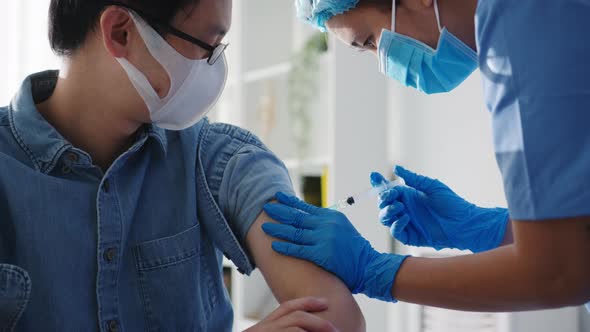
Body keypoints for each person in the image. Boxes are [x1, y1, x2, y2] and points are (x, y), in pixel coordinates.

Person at [0, 0, 366, 331]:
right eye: (206, 46)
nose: (215, 67)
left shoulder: (214, 157)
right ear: (120, 32)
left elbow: (335, 319)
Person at [262, 0, 590, 312]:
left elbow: (560, 272)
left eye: (369, 40)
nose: (382, 60)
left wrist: (376, 271)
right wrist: (482, 227)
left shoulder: (521, 25)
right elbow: (574, 242)